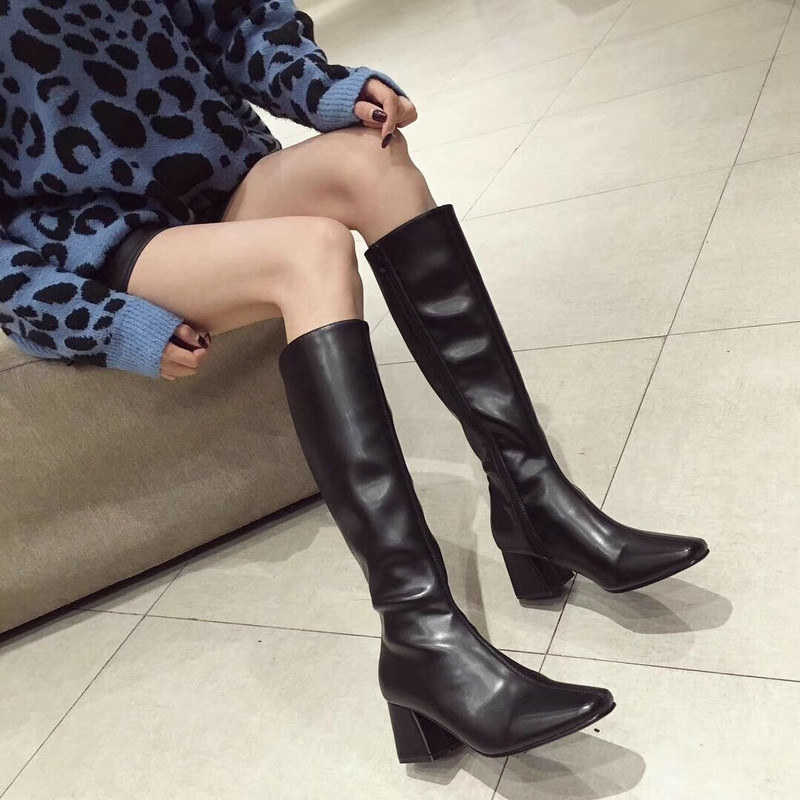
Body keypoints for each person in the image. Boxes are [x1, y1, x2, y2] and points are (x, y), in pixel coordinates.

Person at [0, 0, 708, 764]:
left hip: (220, 182)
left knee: (376, 159)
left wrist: (330, 91)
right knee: (310, 253)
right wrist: (99, 323)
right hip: (96, 244)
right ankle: (418, 631)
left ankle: (533, 498)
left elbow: (236, 22)